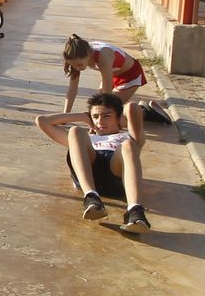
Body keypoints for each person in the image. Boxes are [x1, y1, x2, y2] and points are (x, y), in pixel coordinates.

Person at [35, 92, 151, 233]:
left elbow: (133, 109)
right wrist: (83, 116)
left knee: (129, 145)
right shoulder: (86, 139)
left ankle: (134, 210)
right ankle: (91, 197)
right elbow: (42, 121)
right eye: (95, 117)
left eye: (106, 116)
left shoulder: (129, 137)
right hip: (89, 168)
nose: (100, 122)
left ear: (119, 118)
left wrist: (127, 111)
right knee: (75, 131)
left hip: (116, 172)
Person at [61, 34, 169, 122]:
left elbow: (107, 96)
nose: (77, 68)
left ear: (88, 54)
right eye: (73, 65)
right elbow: (72, 89)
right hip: (113, 74)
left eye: (79, 65)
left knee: (110, 116)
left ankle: (146, 112)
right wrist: (65, 116)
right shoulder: (77, 56)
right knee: (99, 110)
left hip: (130, 75)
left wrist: (97, 123)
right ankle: (139, 109)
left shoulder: (103, 56)